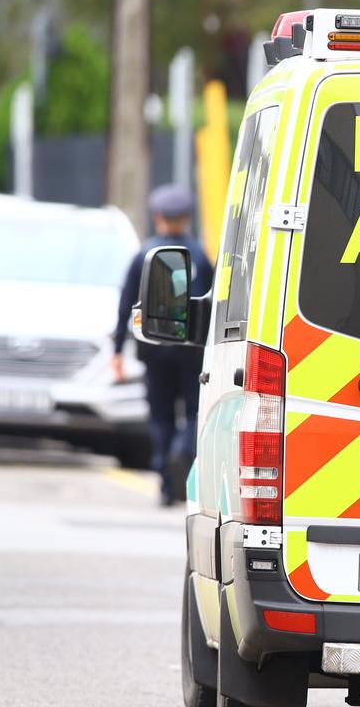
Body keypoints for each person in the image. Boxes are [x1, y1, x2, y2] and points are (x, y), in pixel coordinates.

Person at [112, 185, 215, 506]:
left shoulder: (143, 255)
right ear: (186, 218)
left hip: (153, 349)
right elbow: (213, 304)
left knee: (160, 415)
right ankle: (182, 452)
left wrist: (117, 350)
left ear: (157, 216)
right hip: (191, 350)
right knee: (195, 411)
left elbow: (126, 304)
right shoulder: (199, 256)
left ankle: (164, 481)